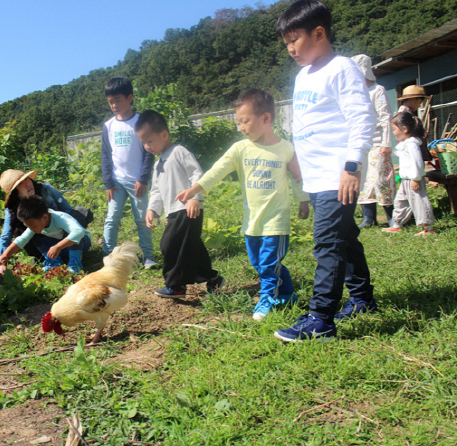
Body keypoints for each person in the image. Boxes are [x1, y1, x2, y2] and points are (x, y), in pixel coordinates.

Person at [274, 0, 378, 342]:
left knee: (327, 244)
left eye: (295, 40)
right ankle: (362, 299)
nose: (290, 49)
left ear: (319, 33)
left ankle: (321, 319)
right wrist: (300, 165)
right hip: (317, 176)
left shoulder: (342, 68)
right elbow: (305, 125)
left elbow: (362, 118)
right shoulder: (303, 75)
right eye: (286, 43)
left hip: (338, 175)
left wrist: (352, 166)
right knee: (345, 239)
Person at [176, 89, 310, 320]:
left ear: (266, 119)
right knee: (261, 263)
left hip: (276, 220)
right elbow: (217, 171)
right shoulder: (240, 149)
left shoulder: (286, 148)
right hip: (252, 221)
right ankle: (287, 295)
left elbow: (297, 176)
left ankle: (266, 299)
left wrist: (303, 200)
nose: (241, 127)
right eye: (239, 122)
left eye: (245, 121)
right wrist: (195, 188)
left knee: (269, 265)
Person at [136, 110, 224, 297]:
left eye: (149, 141)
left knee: (169, 244)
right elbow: (157, 190)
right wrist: (152, 209)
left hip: (188, 208)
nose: (146, 146)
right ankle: (213, 278)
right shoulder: (159, 162)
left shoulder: (179, 152)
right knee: (191, 248)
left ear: (164, 134)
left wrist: (195, 197)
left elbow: (197, 174)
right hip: (173, 211)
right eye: (143, 142)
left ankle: (175, 285)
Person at [101, 76, 157, 269]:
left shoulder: (140, 122)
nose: (114, 105)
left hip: (137, 182)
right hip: (116, 182)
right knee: (111, 219)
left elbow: (149, 152)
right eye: (110, 102)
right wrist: (108, 182)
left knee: (143, 219)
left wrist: (143, 178)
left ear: (130, 98)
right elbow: (106, 156)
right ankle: (107, 256)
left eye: (118, 100)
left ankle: (148, 256)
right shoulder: (108, 126)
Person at [0, 169, 78, 273]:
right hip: (40, 241)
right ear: (15, 192)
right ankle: (49, 259)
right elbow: (5, 236)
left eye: (26, 179)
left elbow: (68, 211)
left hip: (63, 234)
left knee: (77, 215)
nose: (27, 183)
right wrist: (1, 263)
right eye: (20, 183)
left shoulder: (46, 190)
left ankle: (72, 256)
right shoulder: (11, 209)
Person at [351, 54, 395, 228]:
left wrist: (386, 143)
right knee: (363, 181)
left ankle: (391, 216)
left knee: (380, 180)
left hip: (377, 143)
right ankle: (369, 218)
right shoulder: (355, 93)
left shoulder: (378, 90)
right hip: (361, 144)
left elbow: (385, 117)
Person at [0, 195, 92, 274]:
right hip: (62, 249)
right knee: (36, 236)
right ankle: (55, 263)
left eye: (32, 225)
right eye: (28, 226)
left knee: (71, 234)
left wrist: (57, 247)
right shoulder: (37, 224)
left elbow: (79, 232)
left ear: (45, 217)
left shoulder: (60, 218)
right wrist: (5, 255)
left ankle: (75, 265)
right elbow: (21, 240)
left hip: (82, 244)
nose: (31, 228)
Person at [382, 111, 436, 236]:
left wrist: (416, 179)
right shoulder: (405, 144)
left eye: (395, 129)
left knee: (419, 202)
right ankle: (396, 224)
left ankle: (429, 227)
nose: (394, 132)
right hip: (405, 181)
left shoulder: (412, 145)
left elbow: (417, 162)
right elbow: (401, 154)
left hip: (413, 180)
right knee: (400, 202)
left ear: (404, 129)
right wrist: (390, 151)